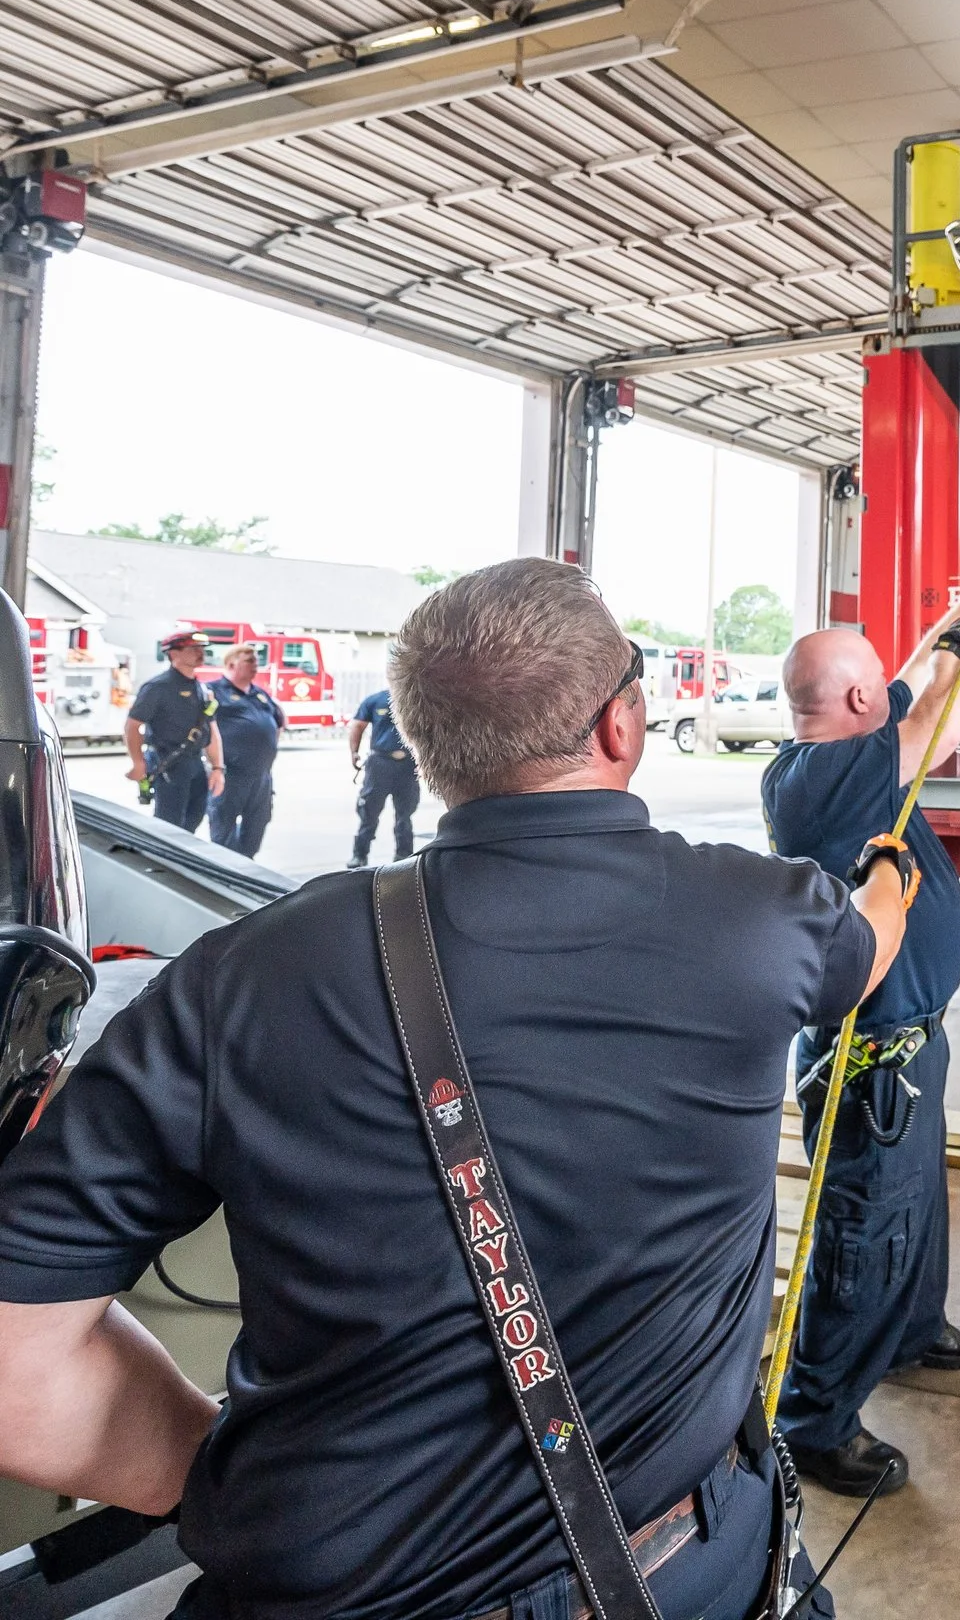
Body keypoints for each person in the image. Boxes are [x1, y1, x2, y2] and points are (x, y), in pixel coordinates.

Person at [0, 558, 908, 1620]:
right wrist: (887, 870)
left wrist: (237, 1478)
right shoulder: (765, 916)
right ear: (622, 724)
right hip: (680, 1567)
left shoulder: (239, 978)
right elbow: (870, 946)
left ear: (427, 746)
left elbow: (18, 1350)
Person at [762, 598, 960, 1497]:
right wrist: (955, 661)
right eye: (878, 690)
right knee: (866, 1230)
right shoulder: (820, 783)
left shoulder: (847, 748)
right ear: (857, 703)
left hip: (911, 1047)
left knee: (917, 1206)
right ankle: (814, 1424)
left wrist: (950, 624)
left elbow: (909, 697)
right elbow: (938, 720)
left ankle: (909, 1333)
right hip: (872, 1065)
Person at [122, 630, 223, 833]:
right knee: (168, 827)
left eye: (201, 649)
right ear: (173, 654)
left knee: (193, 820)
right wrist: (138, 762)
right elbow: (133, 726)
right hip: (168, 763)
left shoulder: (202, 689)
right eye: (193, 649)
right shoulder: (158, 687)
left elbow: (210, 730)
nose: (200, 653)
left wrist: (218, 768)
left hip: (195, 764)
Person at [206, 643, 285, 857]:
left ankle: (245, 867)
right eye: (249, 660)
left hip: (261, 777)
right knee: (223, 833)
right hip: (230, 775)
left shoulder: (259, 694)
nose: (255, 665)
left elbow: (278, 723)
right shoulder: (214, 691)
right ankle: (225, 875)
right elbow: (204, 728)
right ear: (232, 664)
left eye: (257, 661)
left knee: (257, 828)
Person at [348, 684, 420, 866]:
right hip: (380, 764)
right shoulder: (376, 700)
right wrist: (354, 752)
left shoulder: (415, 699)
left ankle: (404, 858)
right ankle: (359, 855)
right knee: (369, 813)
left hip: (407, 766)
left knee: (404, 815)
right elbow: (357, 725)